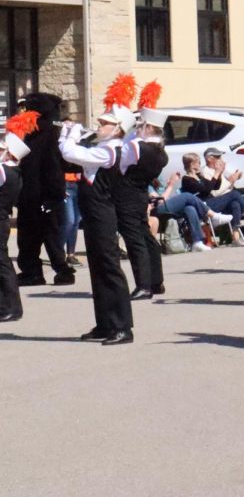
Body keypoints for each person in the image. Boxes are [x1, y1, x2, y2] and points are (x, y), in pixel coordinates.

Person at [59, 81, 139, 346]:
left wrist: (68, 133)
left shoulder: (109, 149)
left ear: (117, 129)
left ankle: (122, 327)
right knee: (97, 269)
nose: (99, 126)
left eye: (105, 123)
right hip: (93, 215)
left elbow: (70, 153)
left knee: (109, 269)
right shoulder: (101, 146)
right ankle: (105, 323)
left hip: (103, 215)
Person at [15, 93, 74, 287]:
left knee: (46, 235)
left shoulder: (48, 132)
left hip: (43, 193)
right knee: (36, 236)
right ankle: (34, 272)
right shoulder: (35, 131)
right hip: (32, 193)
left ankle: (60, 270)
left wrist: (53, 195)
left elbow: (53, 167)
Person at [113, 102, 170, 300]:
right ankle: (156, 281)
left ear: (147, 127)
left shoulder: (136, 146)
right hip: (140, 194)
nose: (136, 128)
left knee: (134, 240)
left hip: (126, 194)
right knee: (145, 237)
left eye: (140, 125)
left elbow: (119, 166)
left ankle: (144, 285)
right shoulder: (161, 152)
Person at [0, 118, 35, 323]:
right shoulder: (15, 171)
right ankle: (8, 305)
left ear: (9, 153)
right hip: (3, 218)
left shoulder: (5, 170)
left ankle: (11, 307)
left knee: (3, 265)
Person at [180, 151, 244, 246]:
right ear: (191, 164)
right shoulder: (187, 179)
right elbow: (206, 190)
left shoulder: (198, 176)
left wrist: (219, 174)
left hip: (210, 202)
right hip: (203, 206)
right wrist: (217, 173)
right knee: (234, 194)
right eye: (198, 162)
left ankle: (235, 238)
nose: (200, 164)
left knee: (235, 203)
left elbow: (215, 186)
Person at [150, 172, 232, 251]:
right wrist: (171, 185)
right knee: (186, 196)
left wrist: (168, 186)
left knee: (189, 208)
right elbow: (159, 201)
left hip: (165, 208)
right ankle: (213, 216)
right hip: (155, 212)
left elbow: (166, 198)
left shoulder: (157, 181)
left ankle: (197, 242)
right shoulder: (146, 185)